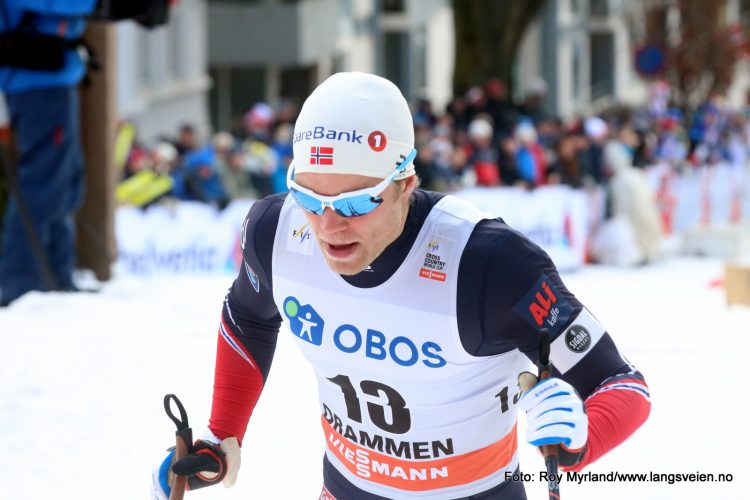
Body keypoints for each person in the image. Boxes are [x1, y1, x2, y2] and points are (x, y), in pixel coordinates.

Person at [152, 72, 651, 499]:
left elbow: (623, 385)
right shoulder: (275, 231)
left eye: (356, 203)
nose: (329, 225)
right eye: (308, 196)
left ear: (405, 185)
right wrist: (222, 436)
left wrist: (582, 440)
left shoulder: (489, 265)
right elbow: (248, 317)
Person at [0, 0, 98, 306]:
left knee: (65, 182)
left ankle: (57, 275)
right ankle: (24, 282)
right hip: (34, 78)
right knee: (43, 181)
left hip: (51, 72)